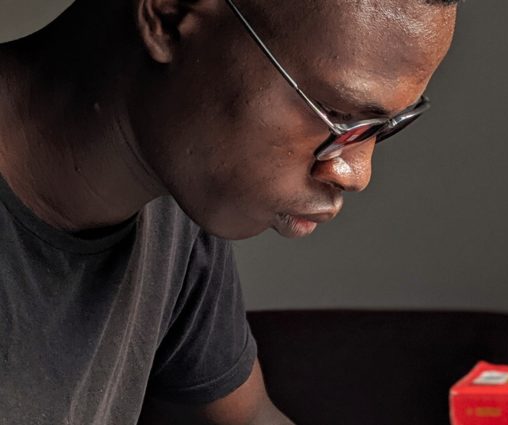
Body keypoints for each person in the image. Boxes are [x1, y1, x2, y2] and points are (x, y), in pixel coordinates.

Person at [0, 0, 457, 423]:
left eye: (383, 127)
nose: (356, 173)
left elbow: (250, 417)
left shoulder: (177, 199)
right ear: (168, 15)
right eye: (335, 111)